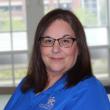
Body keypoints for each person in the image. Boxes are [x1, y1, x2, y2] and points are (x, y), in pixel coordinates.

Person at [5, 8, 110, 110]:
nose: (55, 49)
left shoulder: (89, 91)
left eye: (65, 41)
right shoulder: (27, 83)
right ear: (39, 47)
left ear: (79, 48)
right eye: (48, 41)